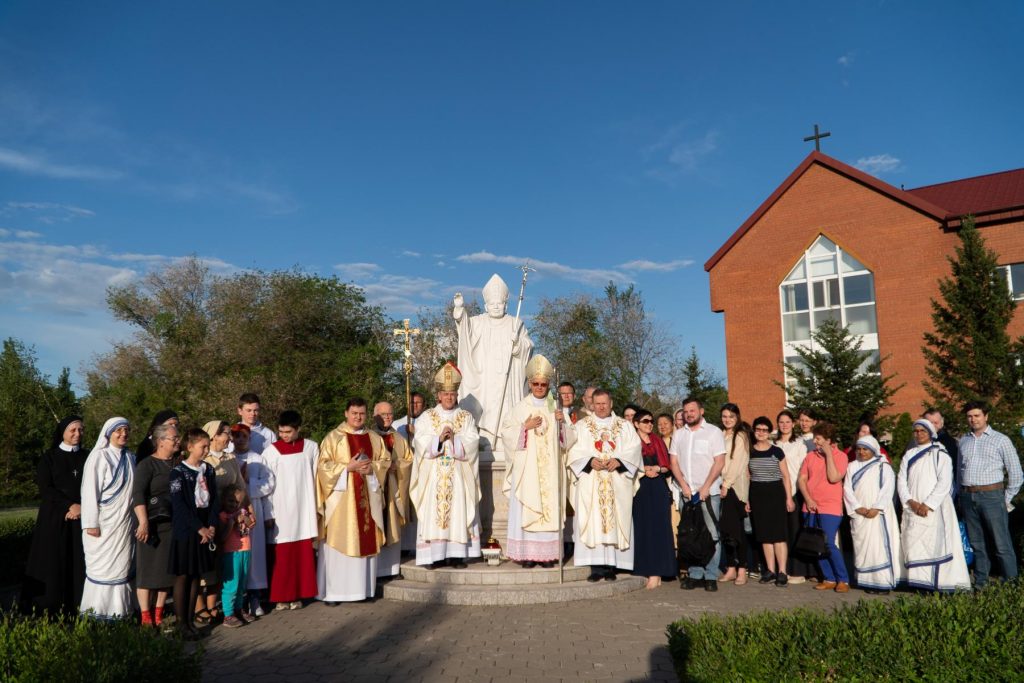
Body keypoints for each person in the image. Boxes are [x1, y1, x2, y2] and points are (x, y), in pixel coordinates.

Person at [500, 355, 577, 568]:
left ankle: (548, 556)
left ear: (549, 385)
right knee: (529, 508)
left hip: (550, 473)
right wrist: (524, 427)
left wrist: (563, 425)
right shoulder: (521, 408)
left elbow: (569, 441)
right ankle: (527, 555)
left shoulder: (555, 408)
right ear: (530, 384)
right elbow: (506, 433)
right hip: (527, 473)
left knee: (549, 508)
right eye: (536, 384)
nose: (540, 387)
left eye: (544, 384)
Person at [316, 398, 389, 603]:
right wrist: (347, 468)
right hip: (342, 505)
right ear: (346, 413)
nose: (358, 417)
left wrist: (371, 469)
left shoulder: (374, 438)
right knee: (339, 544)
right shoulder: (333, 438)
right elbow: (323, 467)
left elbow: (385, 462)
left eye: (362, 413)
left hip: (366, 496)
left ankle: (362, 591)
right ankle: (334, 593)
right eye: (354, 413)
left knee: (364, 538)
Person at [410, 363, 483, 568]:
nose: (449, 397)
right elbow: (420, 441)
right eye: (445, 394)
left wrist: (456, 441)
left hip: (458, 474)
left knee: (458, 511)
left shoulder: (465, 417)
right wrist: (439, 440)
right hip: (434, 475)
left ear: (456, 394)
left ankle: (457, 555)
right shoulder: (427, 417)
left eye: (452, 394)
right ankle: (434, 556)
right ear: (438, 395)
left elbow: (473, 441)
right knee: (434, 513)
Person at [568, 389, 641, 581]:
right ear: (592, 404)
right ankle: (596, 567)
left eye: (604, 403)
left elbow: (635, 448)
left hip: (616, 481)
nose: (601, 407)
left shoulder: (624, 426)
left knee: (616, 520)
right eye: (597, 403)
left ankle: (611, 567)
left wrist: (620, 461)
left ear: (611, 403)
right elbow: (573, 450)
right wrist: (589, 460)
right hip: (592, 481)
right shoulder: (582, 426)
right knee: (593, 521)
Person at [453, 274, 534, 444]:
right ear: (485, 305)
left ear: (506, 304)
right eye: (492, 304)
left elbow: (528, 346)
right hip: (486, 379)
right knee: (487, 406)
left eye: (500, 303)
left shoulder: (515, 323)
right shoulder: (479, 322)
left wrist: (518, 345)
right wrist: (460, 311)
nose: (496, 307)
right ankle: (486, 436)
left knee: (507, 408)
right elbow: (465, 329)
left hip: (508, 377)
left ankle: (508, 437)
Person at [21, 415, 88, 616]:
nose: (77, 434)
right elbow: (46, 488)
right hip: (54, 517)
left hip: (81, 517)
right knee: (54, 563)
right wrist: (69, 506)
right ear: (63, 432)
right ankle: (49, 608)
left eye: (80, 430)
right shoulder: (48, 458)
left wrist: (82, 507)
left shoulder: (88, 456)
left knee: (78, 564)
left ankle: (77, 606)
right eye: (72, 430)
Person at [899, 419, 971, 592]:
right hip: (912, 507)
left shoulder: (940, 454)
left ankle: (938, 584)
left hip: (935, 507)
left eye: (922, 431)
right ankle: (918, 583)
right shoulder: (909, 454)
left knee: (936, 545)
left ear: (931, 433)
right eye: (916, 431)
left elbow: (945, 482)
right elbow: (901, 480)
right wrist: (911, 501)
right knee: (914, 544)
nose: (919, 434)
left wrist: (928, 504)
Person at [957, 400, 1021, 587]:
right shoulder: (964, 441)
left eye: (977, 415)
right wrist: (960, 494)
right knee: (977, 543)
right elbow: (958, 471)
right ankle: (981, 582)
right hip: (969, 496)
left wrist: (1005, 499)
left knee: (1001, 543)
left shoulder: (1001, 440)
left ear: (986, 416)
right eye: (969, 416)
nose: (973, 419)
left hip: (992, 496)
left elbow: (1016, 474)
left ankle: (1011, 583)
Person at [79, 417, 136, 620]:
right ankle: (97, 612)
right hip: (103, 524)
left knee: (123, 566)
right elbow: (89, 492)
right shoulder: (99, 457)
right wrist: (91, 524)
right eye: (118, 430)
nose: (123, 434)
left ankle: (121, 612)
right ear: (108, 433)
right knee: (103, 569)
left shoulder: (131, 457)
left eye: (126, 430)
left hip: (124, 524)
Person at [668, 397, 726, 591]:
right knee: (690, 535)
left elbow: (719, 462)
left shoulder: (713, 432)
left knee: (711, 534)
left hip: (708, 493)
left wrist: (706, 487)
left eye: (692, 410)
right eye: (685, 411)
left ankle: (710, 575)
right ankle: (695, 574)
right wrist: (683, 485)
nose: (689, 414)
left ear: (701, 411)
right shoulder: (679, 435)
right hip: (687, 493)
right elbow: (674, 462)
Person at [263, 410, 319, 609]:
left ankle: (299, 594)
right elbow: (266, 484)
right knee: (282, 555)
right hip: (281, 508)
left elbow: (317, 478)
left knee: (301, 554)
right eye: (281, 432)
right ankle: (280, 596)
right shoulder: (271, 452)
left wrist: (316, 508)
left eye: (288, 432)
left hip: (304, 508)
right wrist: (268, 513)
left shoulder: (311, 448)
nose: (284, 436)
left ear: (298, 429)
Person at [168, 428, 218, 640]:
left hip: (205, 529)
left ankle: (191, 621)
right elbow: (179, 505)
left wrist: (212, 525)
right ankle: (181, 623)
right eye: (202, 447)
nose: (206, 450)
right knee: (183, 576)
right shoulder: (178, 472)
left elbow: (214, 499)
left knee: (196, 575)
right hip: (187, 530)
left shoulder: (208, 470)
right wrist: (199, 527)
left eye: (208, 446)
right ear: (190, 447)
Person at [843, 435, 904, 594]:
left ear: (873, 450)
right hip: (860, 514)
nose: (862, 452)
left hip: (878, 515)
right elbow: (847, 490)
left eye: (865, 449)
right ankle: (867, 582)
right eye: (859, 449)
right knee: (863, 549)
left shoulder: (883, 466)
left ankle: (882, 583)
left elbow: (888, 489)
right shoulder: (852, 466)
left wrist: (876, 508)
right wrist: (858, 508)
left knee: (879, 548)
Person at [132, 422, 178, 627]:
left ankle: (159, 613)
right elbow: (138, 494)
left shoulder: (177, 463)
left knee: (166, 572)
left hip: (172, 524)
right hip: (151, 523)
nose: (178, 441)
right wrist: (142, 522)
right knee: (148, 570)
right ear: (160, 441)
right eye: (174, 438)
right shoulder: (147, 465)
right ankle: (145, 616)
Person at [198, 419, 244, 622]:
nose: (229, 437)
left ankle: (213, 605)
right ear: (213, 436)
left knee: (221, 563)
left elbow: (240, 486)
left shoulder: (230, 458)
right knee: (203, 563)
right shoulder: (204, 460)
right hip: (207, 516)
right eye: (225, 433)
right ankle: (199, 608)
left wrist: (246, 510)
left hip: (227, 517)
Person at [798, 422, 850, 593]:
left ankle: (843, 579)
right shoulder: (810, 456)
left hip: (830, 507)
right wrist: (808, 498)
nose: (815, 442)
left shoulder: (840, 456)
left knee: (828, 543)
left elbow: (834, 477)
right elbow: (802, 480)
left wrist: (828, 454)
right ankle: (828, 578)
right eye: (815, 439)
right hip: (811, 506)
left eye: (819, 439)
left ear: (828, 440)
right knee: (815, 544)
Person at [230, 423, 274, 617]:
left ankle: (255, 597)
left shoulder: (258, 458)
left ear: (249, 438)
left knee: (254, 555)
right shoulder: (228, 458)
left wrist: (249, 482)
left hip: (253, 510)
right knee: (236, 554)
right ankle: (237, 600)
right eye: (236, 436)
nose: (240, 440)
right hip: (233, 511)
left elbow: (269, 484)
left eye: (244, 436)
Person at [746, 416, 795, 587]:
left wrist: (789, 498)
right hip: (757, 494)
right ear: (754, 431)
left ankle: (782, 571)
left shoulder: (777, 451)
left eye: (764, 430)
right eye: (758, 430)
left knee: (779, 535)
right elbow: (747, 476)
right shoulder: (749, 451)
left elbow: (786, 476)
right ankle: (770, 570)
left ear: (769, 432)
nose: (761, 433)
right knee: (764, 535)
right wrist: (747, 499)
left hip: (775, 494)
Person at [631, 409, 676, 589]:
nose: (649, 424)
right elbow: (627, 463)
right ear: (636, 424)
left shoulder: (658, 441)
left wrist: (656, 468)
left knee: (659, 528)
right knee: (642, 528)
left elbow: (667, 466)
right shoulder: (631, 441)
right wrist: (643, 470)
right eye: (645, 421)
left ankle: (657, 572)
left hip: (657, 486)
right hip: (639, 488)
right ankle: (643, 567)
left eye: (651, 421)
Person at [372, 401, 413, 579]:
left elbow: (408, 460)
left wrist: (398, 466)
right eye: (383, 414)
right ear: (375, 416)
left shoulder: (399, 439)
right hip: (376, 488)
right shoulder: (370, 437)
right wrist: (382, 467)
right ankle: (376, 570)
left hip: (394, 488)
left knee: (393, 525)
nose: (387, 417)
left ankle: (392, 569)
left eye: (389, 414)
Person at [775, 409, 812, 584]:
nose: (784, 425)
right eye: (781, 422)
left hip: (795, 492)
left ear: (793, 424)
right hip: (777, 492)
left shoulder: (799, 444)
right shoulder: (773, 444)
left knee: (796, 531)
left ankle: (799, 570)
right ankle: (785, 568)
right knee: (782, 533)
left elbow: (803, 469)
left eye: (787, 422)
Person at [717, 403, 751, 586]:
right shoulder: (720, 434)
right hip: (720, 485)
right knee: (726, 530)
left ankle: (742, 569)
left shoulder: (741, 436)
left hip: (734, 488)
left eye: (730, 416)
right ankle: (730, 567)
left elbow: (738, 463)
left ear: (737, 417)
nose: (727, 419)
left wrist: (726, 484)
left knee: (737, 531)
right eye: (724, 416)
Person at [218, 483, 255, 628]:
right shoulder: (223, 516)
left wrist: (244, 518)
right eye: (230, 501)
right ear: (224, 501)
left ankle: (239, 609)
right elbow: (222, 537)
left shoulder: (243, 512)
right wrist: (231, 522)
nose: (234, 504)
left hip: (245, 550)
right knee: (231, 585)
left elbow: (251, 524)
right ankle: (228, 614)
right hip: (231, 553)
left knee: (241, 583)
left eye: (237, 502)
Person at [923, 408, 959, 490]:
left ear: (942, 423)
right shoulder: (915, 442)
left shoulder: (950, 443)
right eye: (929, 423)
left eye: (936, 423)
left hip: (944, 488)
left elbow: (954, 467)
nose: (932, 426)